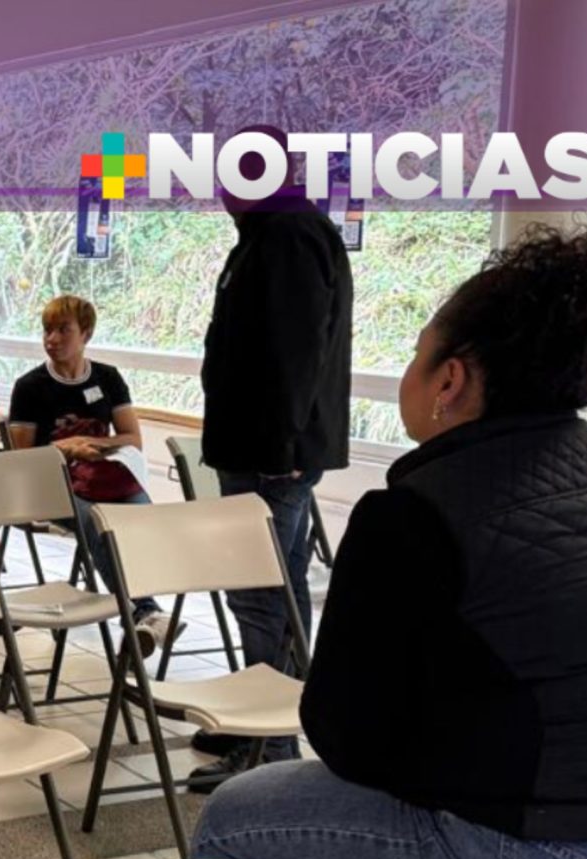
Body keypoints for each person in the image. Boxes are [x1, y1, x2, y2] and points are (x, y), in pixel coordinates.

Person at [194, 225, 587, 859]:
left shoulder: (415, 513)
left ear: (449, 381)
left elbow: (344, 740)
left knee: (235, 812)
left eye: (418, 356)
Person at [192, 125, 353, 787]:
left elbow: (294, 351)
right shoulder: (273, 232)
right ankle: (269, 723)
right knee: (277, 591)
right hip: (263, 448)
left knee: (259, 595)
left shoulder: (286, 234)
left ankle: (268, 746)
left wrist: (280, 446)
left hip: (268, 454)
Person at [7, 294, 178, 657]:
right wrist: (67, 448)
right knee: (101, 524)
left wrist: (93, 444)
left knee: (143, 521)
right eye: (47, 330)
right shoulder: (30, 386)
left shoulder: (107, 377)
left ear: (86, 334)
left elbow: (132, 438)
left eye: (62, 330)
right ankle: (145, 612)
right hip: (50, 486)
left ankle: (141, 620)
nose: (52, 339)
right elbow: (22, 460)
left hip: (106, 477)